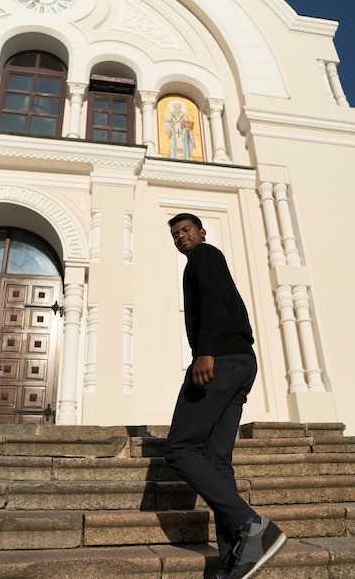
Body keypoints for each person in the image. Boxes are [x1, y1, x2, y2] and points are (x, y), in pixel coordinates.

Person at [164, 213, 287, 579]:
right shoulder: (202, 261)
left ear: (201, 232)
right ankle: (236, 555)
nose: (181, 236)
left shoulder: (205, 255)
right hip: (241, 363)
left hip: (220, 361)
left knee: (180, 448)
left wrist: (206, 352)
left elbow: (215, 302)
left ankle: (253, 525)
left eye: (186, 230)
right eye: (175, 234)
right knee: (217, 462)